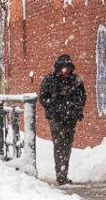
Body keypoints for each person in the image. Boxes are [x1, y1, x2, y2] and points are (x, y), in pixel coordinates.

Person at [37, 54, 87, 186]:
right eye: (63, 67)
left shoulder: (75, 80)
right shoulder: (50, 80)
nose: (66, 71)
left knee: (67, 145)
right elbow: (43, 97)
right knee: (60, 145)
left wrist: (76, 110)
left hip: (71, 117)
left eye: (68, 68)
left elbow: (82, 96)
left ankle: (63, 172)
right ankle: (61, 174)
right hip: (56, 118)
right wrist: (53, 107)